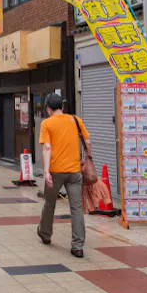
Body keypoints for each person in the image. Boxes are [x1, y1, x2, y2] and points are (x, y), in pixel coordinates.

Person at [37, 93, 91, 258]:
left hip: (55, 171)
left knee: (50, 203)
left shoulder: (47, 123)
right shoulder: (75, 120)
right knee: (76, 208)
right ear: (62, 106)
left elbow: (47, 147)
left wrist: (46, 171)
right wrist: (86, 157)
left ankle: (45, 234)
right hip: (74, 172)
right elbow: (88, 142)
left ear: (48, 109)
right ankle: (78, 246)